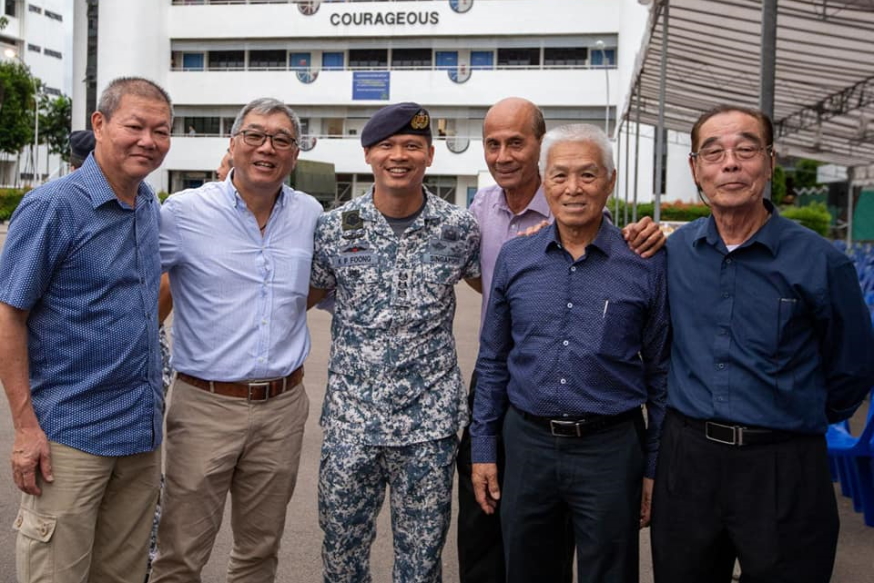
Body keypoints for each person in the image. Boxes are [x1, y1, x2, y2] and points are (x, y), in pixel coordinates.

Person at [651, 105, 874, 583]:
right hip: (689, 464)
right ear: (695, 169)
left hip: (785, 467)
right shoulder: (673, 253)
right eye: (713, 153)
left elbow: (853, 366)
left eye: (746, 150)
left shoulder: (821, 261)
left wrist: (792, 409)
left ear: (769, 162)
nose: (730, 164)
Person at [458, 96, 665, 583]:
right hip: (527, 443)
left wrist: (655, 462)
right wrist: (484, 448)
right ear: (544, 181)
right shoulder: (514, 257)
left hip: (611, 448)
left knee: (609, 572)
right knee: (527, 569)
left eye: (588, 175)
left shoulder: (646, 262)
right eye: (561, 175)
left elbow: (661, 372)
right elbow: (492, 362)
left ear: (610, 181)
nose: (574, 188)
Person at [0, 77, 173, 583]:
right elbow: (10, 313)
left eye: (160, 131)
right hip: (69, 437)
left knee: (121, 575)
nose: (148, 140)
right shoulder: (54, 206)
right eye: (135, 126)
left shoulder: (147, 204)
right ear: (99, 125)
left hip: (139, 435)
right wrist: (26, 428)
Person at [149, 97, 322, 582]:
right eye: (255, 135)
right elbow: (146, 291)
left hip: (282, 407)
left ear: (295, 154)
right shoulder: (182, 212)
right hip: (204, 405)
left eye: (281, 139)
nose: (267, 148)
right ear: (232, 143)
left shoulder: (310, 215)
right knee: (180, 551)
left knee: (259, 551)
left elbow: (316, 289)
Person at [308, 102, 481, 583]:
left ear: (429, 155)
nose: (398, 156)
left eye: (412, 146)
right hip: (351, 423)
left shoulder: (459, 228)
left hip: (427, 425)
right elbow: (300, 298)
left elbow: (502, 289)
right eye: (387, 145)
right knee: (341, 559)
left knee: (422, 563)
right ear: (368, 155)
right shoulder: (336, 229)